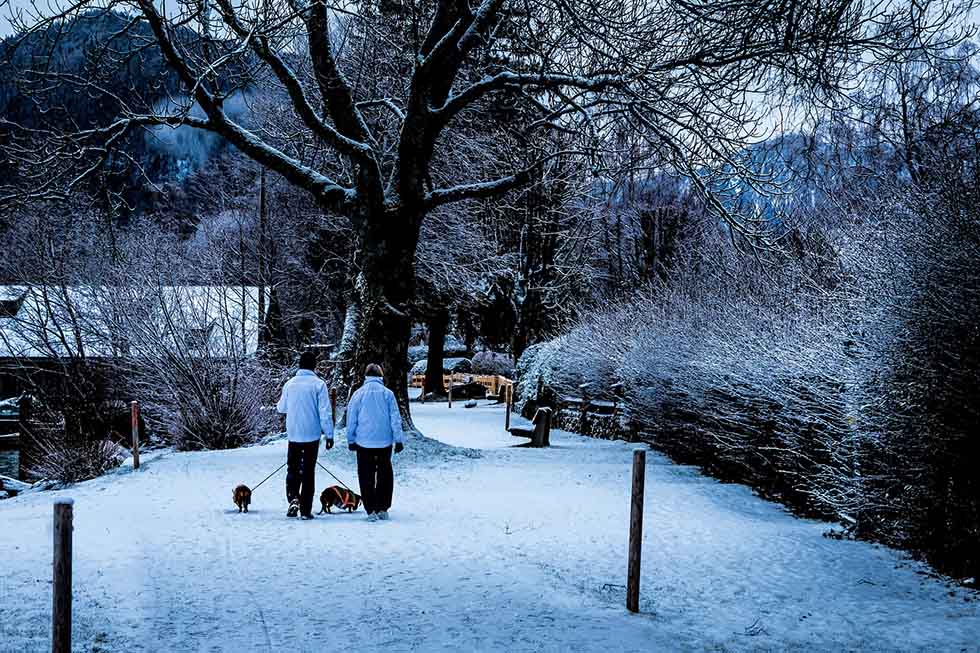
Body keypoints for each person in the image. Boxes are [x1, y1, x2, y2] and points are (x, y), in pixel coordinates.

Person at [276, 351, 334, 520]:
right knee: (309, 471)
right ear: (314, 366)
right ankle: (306, 510)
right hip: (312, 435)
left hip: (294, 433)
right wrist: (329, 435)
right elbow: (325, 413)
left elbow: (281, 408)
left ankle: (293, 497)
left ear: (299, 365)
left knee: (292, 468)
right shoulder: (319, 385)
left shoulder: (290, 384)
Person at [346, 363, 405, 522]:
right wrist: (398, 439)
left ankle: (370, 508)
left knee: (366, 475)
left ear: (366, 376)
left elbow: (351, 419)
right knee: (385, 474)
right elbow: (395, 418)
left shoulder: (358, 394)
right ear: (381, 376)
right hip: (384, 441)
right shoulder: (388, 394)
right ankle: (383, 507)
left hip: (363, 442)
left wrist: (350, 439)